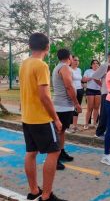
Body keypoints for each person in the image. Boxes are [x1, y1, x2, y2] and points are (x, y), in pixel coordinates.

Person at [20, 33, 65, 201]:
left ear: (30, 46)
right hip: (41, 119)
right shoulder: (41, 65)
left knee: (31, 153)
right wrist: (56, 118)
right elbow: (44, 96)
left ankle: (34, 191)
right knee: (54, 152)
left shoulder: (24, 63)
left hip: (27, 118)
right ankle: (46, 196)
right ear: (47, 47)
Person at [52, 49, 82, 171]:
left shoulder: (61, 67)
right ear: (69, 57)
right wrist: (76, 103)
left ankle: (61, 152)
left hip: (64, 106)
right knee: (59, 132)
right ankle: (54, 159)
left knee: (62, 130)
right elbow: (69, 86)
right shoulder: (64, 68)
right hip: (62, 106)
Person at [92, 50, 110, 138]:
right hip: (106, 93)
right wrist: (101, 85)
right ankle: (99, 133)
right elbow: (95, 77)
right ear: (109, 56)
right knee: (105, 113)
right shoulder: (105, 66)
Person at [82, 60, 101, 129]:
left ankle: (95, 123)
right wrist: (91, 78)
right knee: (89, 108)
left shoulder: (100, 72)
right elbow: (83, 79)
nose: (95, 65)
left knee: (96, 108)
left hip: (98, 91)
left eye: (97, 63)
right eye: (94, 63)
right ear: (91, 65)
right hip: (90, 90)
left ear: (99, 64)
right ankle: (86, 124)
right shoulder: (88, 71)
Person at [69, 55, 83, 133]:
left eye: (78, 60)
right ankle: (69, 125)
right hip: (72, 91)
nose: (76, 62)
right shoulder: (68, 69)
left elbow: (80, 80)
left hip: (80, 90)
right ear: (71, 61)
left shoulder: (79, 70)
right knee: (71, 108)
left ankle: (75, 126)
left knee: (77, 108)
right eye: (75, 60)